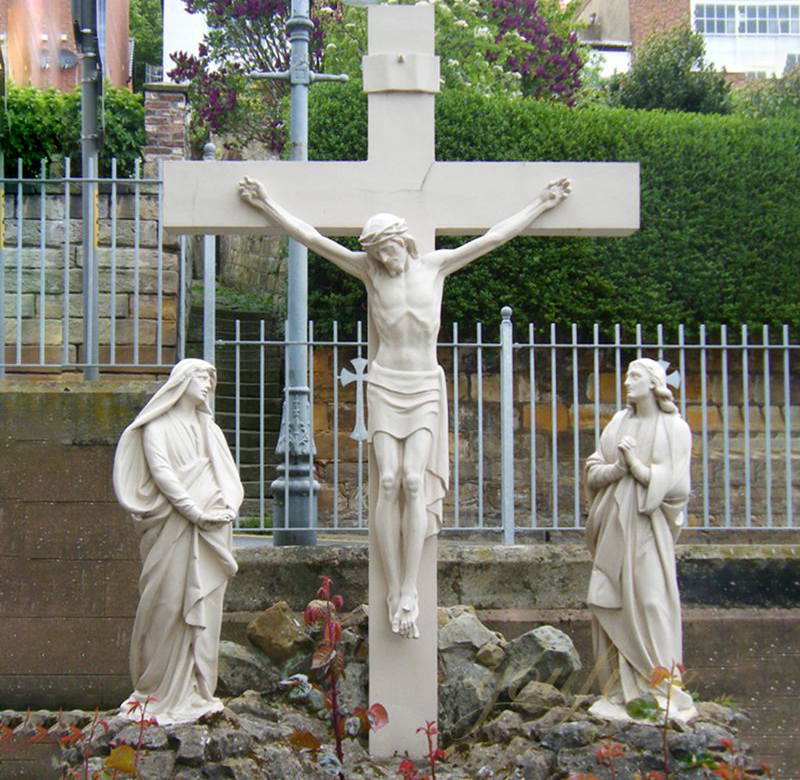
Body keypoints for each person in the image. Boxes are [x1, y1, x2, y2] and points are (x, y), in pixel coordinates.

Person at [239, 176, 570, 639]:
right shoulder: (369, 272)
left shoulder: (435, 267)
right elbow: (311, 237)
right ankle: (393, 587)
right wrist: (267, 203)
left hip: (423, 386)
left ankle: (409, 588)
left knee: (415, 481)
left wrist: (541, 203)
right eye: (375, 253)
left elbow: (494, 237)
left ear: (402, 241)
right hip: (386, 383)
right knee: (389, 481)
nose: (382, 260)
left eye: (386, 250)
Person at [113, 359, 243, 724]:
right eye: (200, 377)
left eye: (210, 380)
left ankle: (196, 691)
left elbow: (228, 477)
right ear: (181, 381)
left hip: (209, 530)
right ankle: (154, 691)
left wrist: (225, 508)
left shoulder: (209, 429)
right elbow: (163, 475)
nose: (206, 384)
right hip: (174, 526)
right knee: (167, 604)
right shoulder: (157, 427)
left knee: (204, 609)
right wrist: (194, 511)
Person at [585, 358, 696, 721]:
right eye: (627, 375)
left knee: (652, 601)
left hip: (648, 528)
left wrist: (638, 467)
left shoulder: (674, 428)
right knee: (609, 600)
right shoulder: (619, 422)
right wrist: (617, 468)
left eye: (634, 376)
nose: (626, 382)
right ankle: (618, 689)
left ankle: (662, 688)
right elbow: (593, 470)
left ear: (654, 383)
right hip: (615, 525)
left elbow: (678, 487)